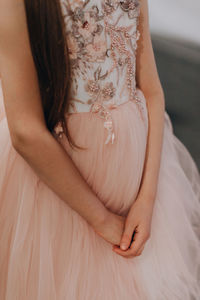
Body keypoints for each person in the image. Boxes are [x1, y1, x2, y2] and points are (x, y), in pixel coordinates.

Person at [0, 0, 200, 299]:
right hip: (59, 188)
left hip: (135, 177)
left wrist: (146, 199)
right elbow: (26, 132)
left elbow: (152, 90)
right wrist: (101, 219)